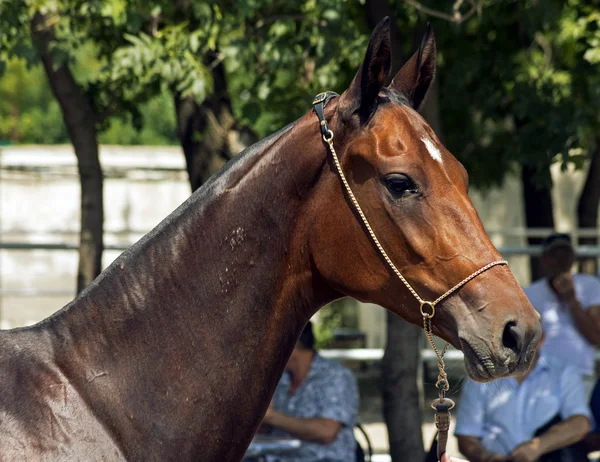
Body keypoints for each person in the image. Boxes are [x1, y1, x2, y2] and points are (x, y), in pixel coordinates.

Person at [454, 333, 591, 462]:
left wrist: (537, 447)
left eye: (527, 335)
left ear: (541, 338)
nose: (517, 343)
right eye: (511, 337)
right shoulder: (482, 375)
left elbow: (580, 423)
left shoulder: (563, 371)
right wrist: (488, 458)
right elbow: (466, 436)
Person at [260, 321, 359, 462]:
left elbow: (326, 432)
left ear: (292, 344)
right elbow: (264, 431)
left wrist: (272, 417)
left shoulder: (335, 375)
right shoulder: (278, 378)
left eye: (272, 343)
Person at [524, 232, 600, 397]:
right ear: (544, 259)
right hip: (541, 378)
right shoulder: (529, 293)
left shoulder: (591, 285)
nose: (560, 260)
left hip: (582, 376)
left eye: (565, 254)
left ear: (573, 258)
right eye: (554, 254)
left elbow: (596, 337)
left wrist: (571, 300)